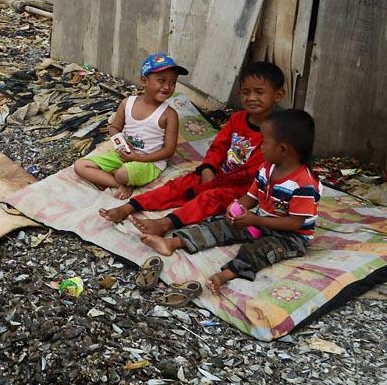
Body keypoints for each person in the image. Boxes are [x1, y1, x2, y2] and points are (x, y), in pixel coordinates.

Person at [140, 109, 319, 293]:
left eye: (265, 141)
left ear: (282, 149)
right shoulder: (267, 168)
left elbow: (295, 223)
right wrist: (237, 208)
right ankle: (173, 243)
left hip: (290, 237)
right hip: (261, 224)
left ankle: (225, 275)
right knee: (219, 225)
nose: (261, 146)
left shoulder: (304, 183)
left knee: (260, 251)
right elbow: (251, 195)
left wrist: (255, 220)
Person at [99, 62, 286, 234]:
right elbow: (218, 146)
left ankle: (166, 223)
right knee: (178, 185)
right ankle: (129, 207)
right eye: (246, 92)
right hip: (218, 173)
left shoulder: (278, 131)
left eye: (259, 92)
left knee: (209, 199)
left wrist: (216, 182)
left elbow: (258, 170)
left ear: (278, 95)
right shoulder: (237, 119)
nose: (251, 98)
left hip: (243, 186)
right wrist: (208, 168)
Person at [74, 53, 185, 199]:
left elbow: (169, 151)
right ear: (144, 80)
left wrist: (140, 158)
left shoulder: (169, 114)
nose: (167, 87)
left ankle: (116, 179)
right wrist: (122, 144)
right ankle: (120, 184)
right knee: (80, 166)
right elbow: (114, 128)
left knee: (122, 173)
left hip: (150, 162)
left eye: (173, 82)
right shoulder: (127, 103)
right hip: (124, 155)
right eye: (162, 80)